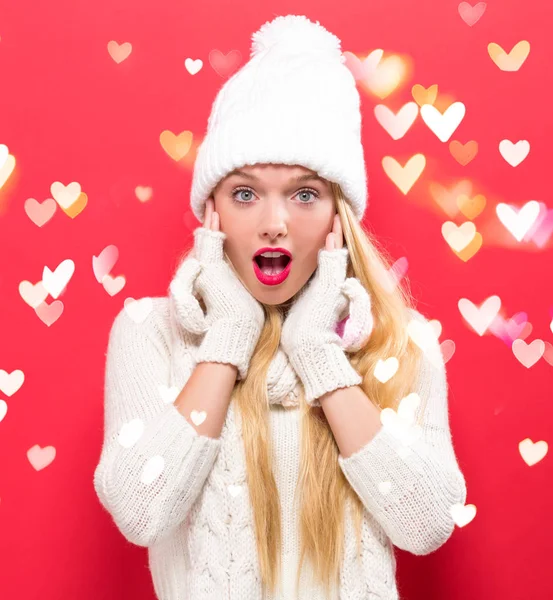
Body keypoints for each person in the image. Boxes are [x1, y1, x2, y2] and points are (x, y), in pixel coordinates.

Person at [93, 14, 467, 600]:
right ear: (211, 212)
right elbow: (141, 512)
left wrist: (319, 356)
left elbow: (426, 524)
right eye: (245, 194)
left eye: (304, 194)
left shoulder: (401, 341)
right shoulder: (151, 333)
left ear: (337, 217)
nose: (274, 224)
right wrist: (229, 338)